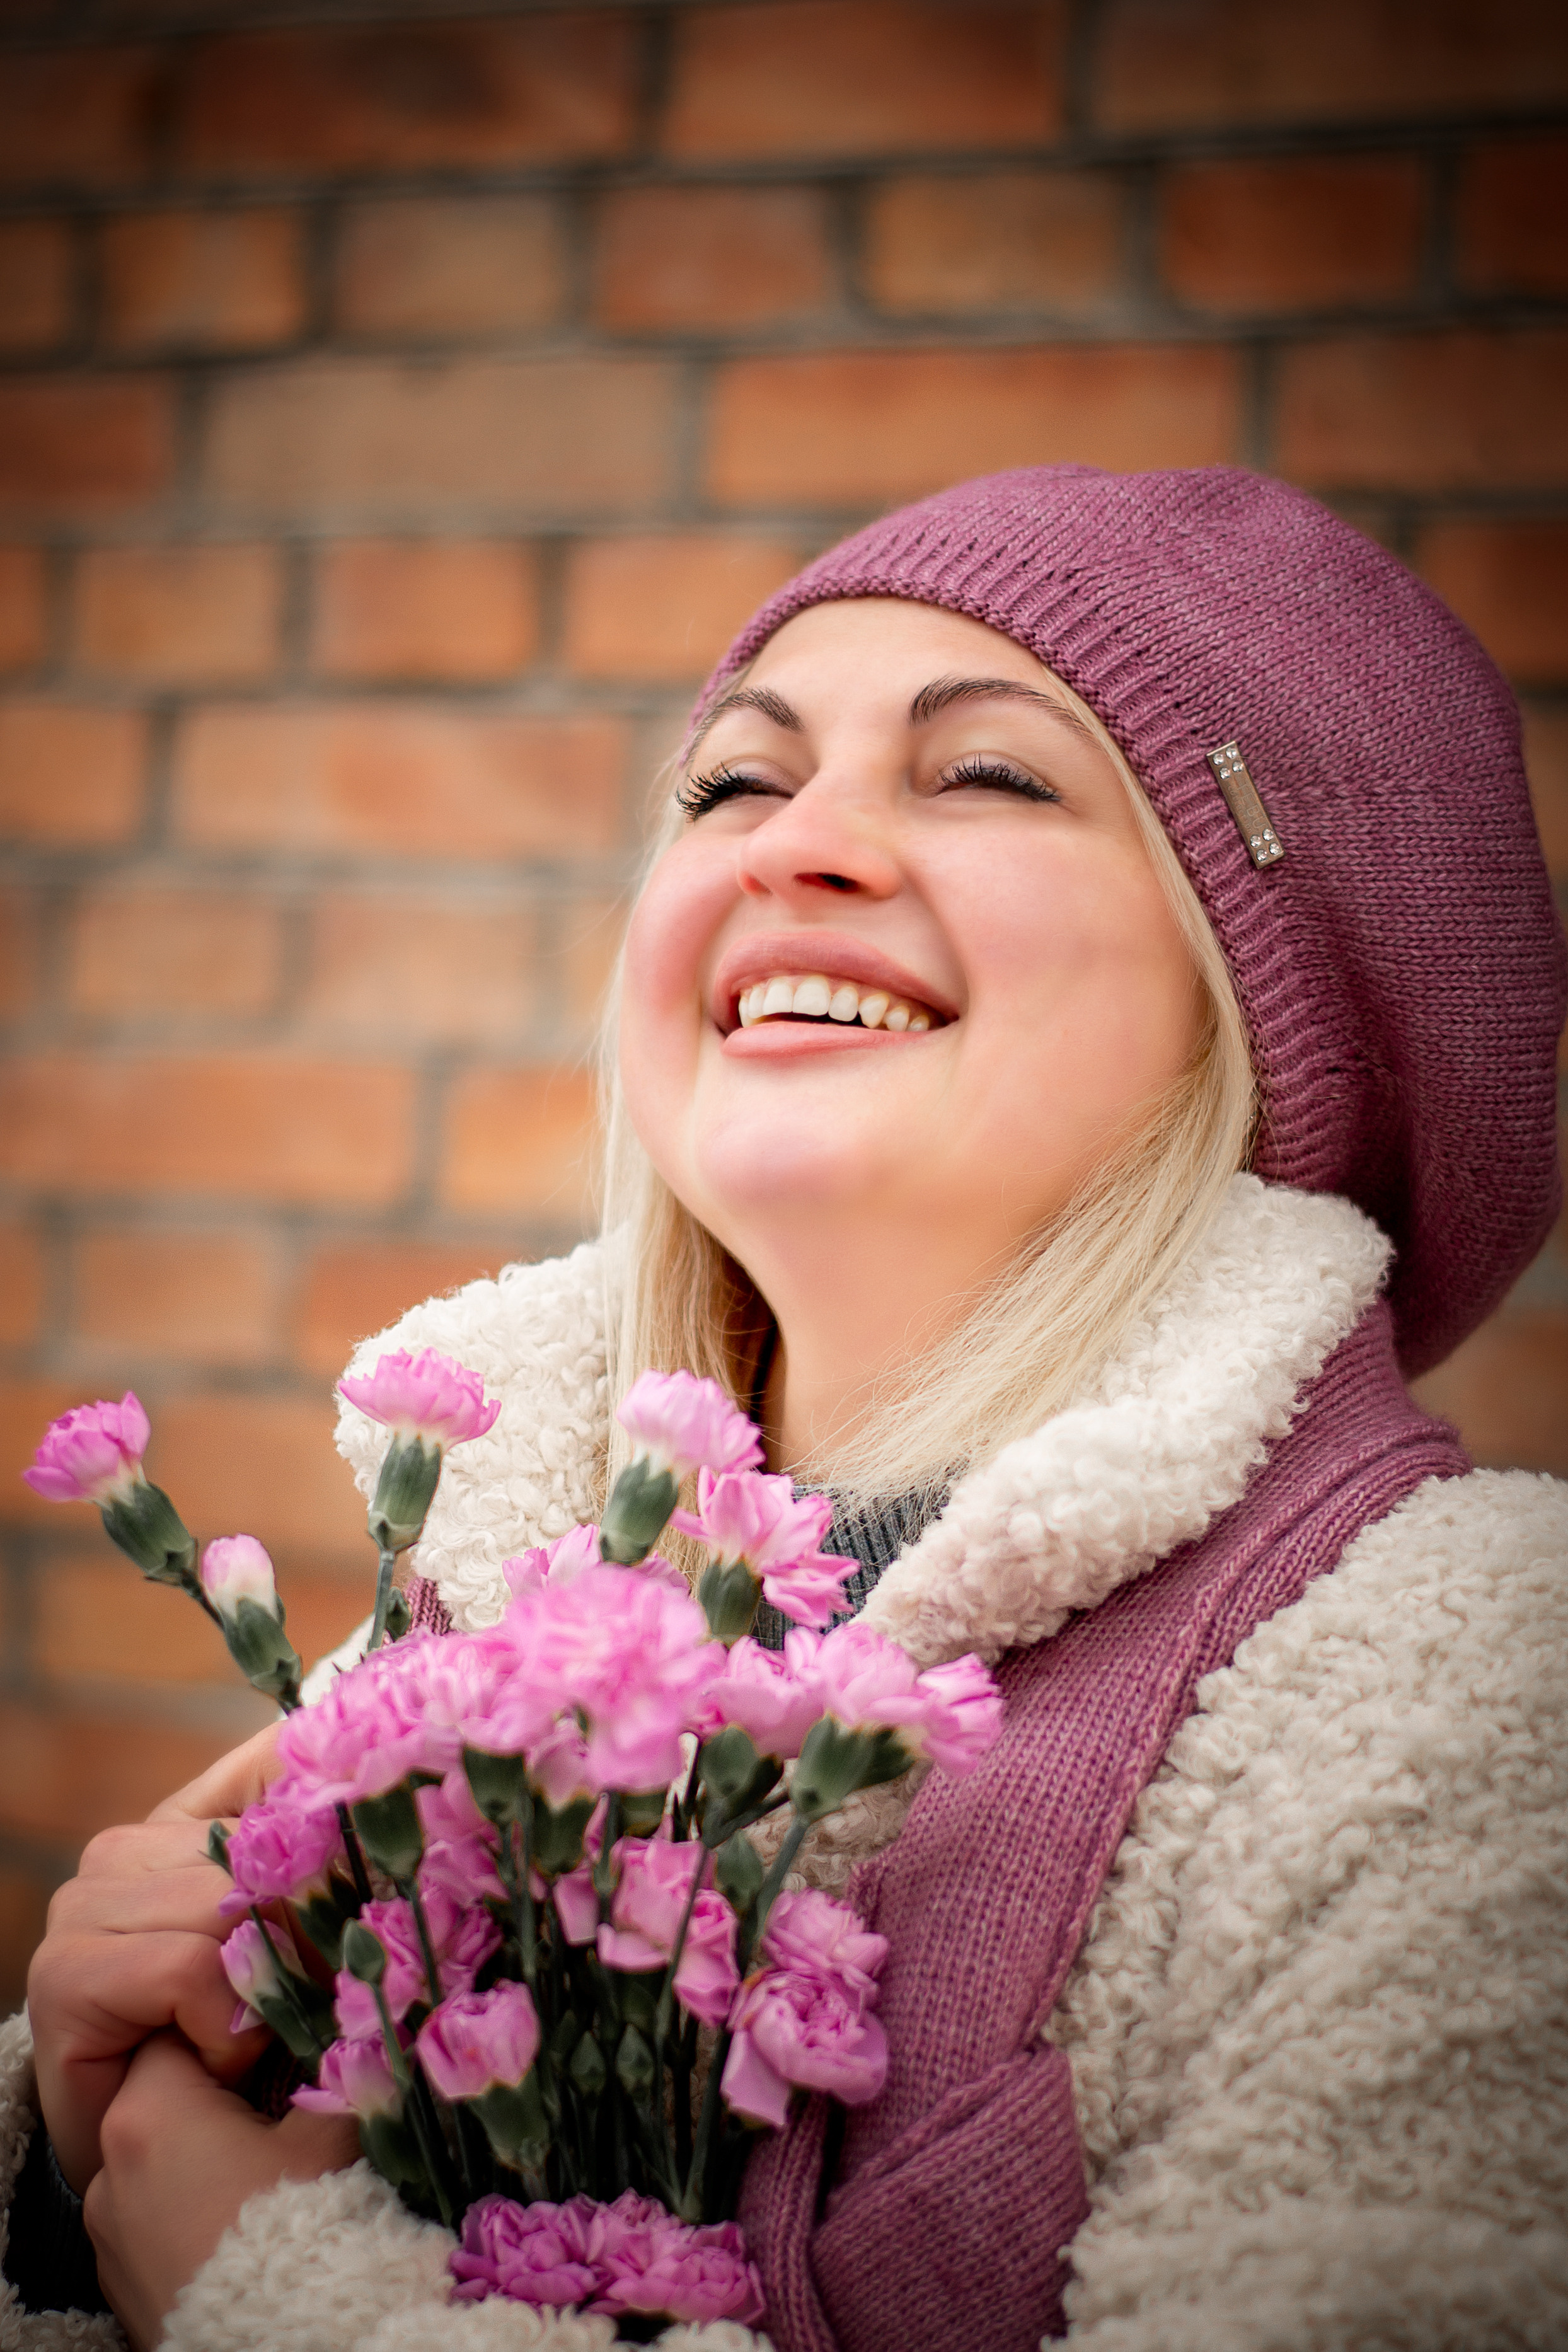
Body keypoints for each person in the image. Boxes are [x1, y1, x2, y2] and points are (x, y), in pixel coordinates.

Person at [6, 464, 1566, 2352]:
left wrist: (281, 2303)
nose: (791, 848)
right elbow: (179, 2192)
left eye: (991, 772)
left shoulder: (1473, 1677)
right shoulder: (501, 1597)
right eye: (735, 781)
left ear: (1283, 993)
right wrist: (75, 2169)